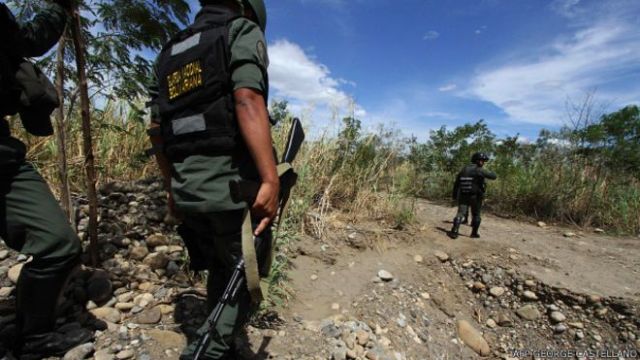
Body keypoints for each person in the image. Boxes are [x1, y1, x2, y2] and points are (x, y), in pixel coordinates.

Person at [146, 0, 277, 358]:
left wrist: (172, 185)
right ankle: (208, 349)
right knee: (246, 271)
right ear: (245, 9)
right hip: (230, 191)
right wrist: (270, 179)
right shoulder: (239, 30)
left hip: (187, 190)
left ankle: (218, 337)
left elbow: (157, 129)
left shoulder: (169, 50)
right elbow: (247, 98)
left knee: (222, 265)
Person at [0, 1, 94, 358]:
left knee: (59, 245)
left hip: (4, 158)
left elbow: (27, 39)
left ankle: (32, 336)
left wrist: (58, 8)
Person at [449, 152, 497, 239]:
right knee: (476, 215)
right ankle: (474, 233)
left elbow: (456, 184)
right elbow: (493, 176)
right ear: (477, 161)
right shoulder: (479, 170)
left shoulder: (463, 170)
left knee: (460, 213)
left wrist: (454, 197)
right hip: (476, 197)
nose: (483, 163)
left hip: (464, 195)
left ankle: (454, 231)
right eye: (482, 161)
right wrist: (491, 171)